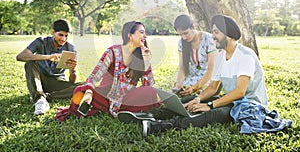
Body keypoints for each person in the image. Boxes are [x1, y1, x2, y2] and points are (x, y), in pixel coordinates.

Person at [117, 14, 281, 137]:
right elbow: (213, 87)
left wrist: (209, 105)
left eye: (216, 32)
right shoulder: (221, 56)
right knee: (190, 102)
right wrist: (198, 100)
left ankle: (162, 126)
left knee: (214, 113)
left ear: (227, 34)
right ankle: (151, 115)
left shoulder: (245, 55)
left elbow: (240, 92)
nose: (213, 36)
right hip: (232, 100)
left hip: (249, 105)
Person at [54, 21, 161, 121]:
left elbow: (148, 85)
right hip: (106, 97)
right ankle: (134, 112)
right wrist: (89, 92)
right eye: (142, 32)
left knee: (150, 92)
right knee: (79, 91)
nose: (145, 36)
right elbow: (94, 76)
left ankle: (130, 112)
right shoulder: (112, 52)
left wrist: (146, 61)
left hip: (127, 98)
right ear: (130, 35)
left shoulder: (141, 55)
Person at [16, 19, 82, 115]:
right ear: (53, 32)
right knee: (30, 63)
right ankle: (39, 99)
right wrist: (48, 57)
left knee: (86, 86)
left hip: (57, 83)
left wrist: (73, 71)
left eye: (66, 36)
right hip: (39, 80)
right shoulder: (41, 42)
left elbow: (72, 82)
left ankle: (46, 97)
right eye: (60, 35)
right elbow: (20, 56)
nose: (63, 39)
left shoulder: (71, 49)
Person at [172, 14, 217, 96]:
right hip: (192, 76)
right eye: (180, 35)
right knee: (181, 93)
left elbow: (211, 70)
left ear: (193, 27)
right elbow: (182, 69)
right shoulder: (182, 43)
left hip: (208, 78)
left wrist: (194, 87)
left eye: (186, 33)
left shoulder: (209, 39)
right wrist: (178, 84)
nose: (184, 38)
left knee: (193, 97)